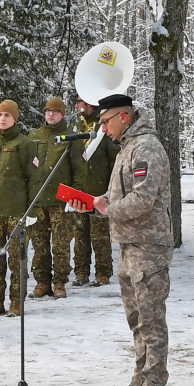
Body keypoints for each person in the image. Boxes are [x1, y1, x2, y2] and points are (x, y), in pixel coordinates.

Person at [68, 94, 173, 386]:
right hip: (129, 244)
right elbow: (120, 196)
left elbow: (142, 200)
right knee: (136, 319)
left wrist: (108, 208)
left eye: (105, 121)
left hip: (149, 246)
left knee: (151, 319)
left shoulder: (146, 148)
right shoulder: (127, 147)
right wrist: (96, 203)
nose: (102, 128)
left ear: (123, 117)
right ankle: (140, 381)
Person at [0, 100, 39, 317]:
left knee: (17, 260)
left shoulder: (24, 144)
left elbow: (34, 180)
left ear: (15, 118)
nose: (2, 119)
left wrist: (31, 212)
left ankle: (16, 301)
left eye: (7, 115)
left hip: (17, 212)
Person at [28, 98, 87, 299]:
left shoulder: (71, 137)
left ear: (62, 113)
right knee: (39, 245)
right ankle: (42, 281)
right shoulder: (34, 137)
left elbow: (80, 172)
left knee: (60, 245)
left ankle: (59, 282)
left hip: (61, 201)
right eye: (47, 111)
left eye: (55, 111)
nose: (50, 115)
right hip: (37, 200)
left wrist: (73, 198)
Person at [72, 95, 119, 287]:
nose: (76, 105)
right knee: (80, 235)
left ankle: (103, 272)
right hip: (79, 191)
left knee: (99, 236)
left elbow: (113, 162)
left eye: (79, 102)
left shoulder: (103, 129)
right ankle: (81, 272)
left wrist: (110, 190)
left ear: (89, 104)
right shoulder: (77, 128)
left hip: (99, 191)